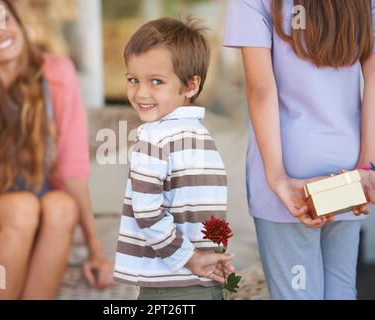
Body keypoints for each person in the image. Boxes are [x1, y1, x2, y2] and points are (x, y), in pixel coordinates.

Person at [0, 0, 114, 300]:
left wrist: (95, 249)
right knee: (21, 207)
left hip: (39, 214)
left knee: (64, 207)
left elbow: (73, 169)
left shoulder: (58, 73)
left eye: (2, 18)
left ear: (17, 20)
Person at [223, 0, 375, 299]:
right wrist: (367, 168)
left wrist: (278, 178)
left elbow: (260, 89)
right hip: (348, 171)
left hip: (288, 175)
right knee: (340, 290)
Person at [113, 17, 235, 300]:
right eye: (133, 80)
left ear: (191, 86)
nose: (141, 92)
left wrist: (190, 258)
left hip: (168, 285)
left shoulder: (153, 140)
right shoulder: (203, 138)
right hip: (208, 280)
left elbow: (148, 213)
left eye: (157, 81)